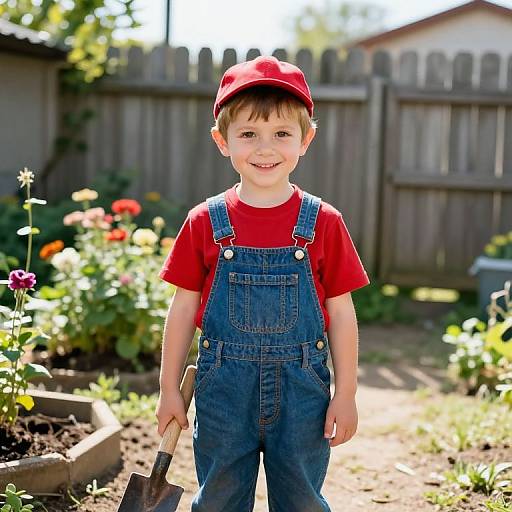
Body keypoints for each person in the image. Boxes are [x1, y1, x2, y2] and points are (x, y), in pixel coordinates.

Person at [156, 55, 370, 512]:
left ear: (305, 139)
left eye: (282, 134)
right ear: (222, 141)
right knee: (218, 499)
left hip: (303, 390)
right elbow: (181, 307)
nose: (265, 148)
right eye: (249, 134)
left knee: (301, 500)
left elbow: (342, 312)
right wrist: (168, 387)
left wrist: (346, 393)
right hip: (223, 390)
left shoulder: (323, 222)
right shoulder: (205, 221)